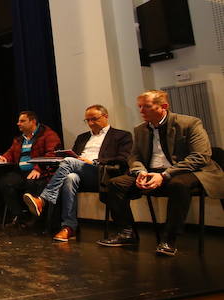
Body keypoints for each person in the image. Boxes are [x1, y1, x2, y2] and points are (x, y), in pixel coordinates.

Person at [98, 90, 224, 256]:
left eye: (147, 107)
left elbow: (200, 157)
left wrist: (165, 175)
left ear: (163, 106)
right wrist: (139, 171)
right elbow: (134, 156)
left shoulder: (190, 123)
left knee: (178, 184)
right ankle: (126, 233)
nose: (141, 111)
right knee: (115, 184)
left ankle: (169, 240)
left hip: (186, 170)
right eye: (140, 107)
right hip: (152, 171)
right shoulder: (140, 129)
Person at [23, 105, 132, 242]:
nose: (91, 123)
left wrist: (94, 161)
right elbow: (73, 158)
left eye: (94, 119)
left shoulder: (121, 135)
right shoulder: (82, 137)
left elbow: (123, 159)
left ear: (105, 116)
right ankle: (69, 227)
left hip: (102, 173)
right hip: (82, 175)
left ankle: (43, 199)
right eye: (87, 120)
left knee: (69, 161)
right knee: (70, 177)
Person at [0, 111, 61, 226]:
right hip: (22, 172)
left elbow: (52, 154)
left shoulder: (48, 135)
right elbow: (10, 152)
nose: (18, 124)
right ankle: (19, 216)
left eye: (22, 121)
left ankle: (35, 218)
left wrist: (38, 169)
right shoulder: (20, 139)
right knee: (5, 182)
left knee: (32, 182)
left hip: (42, 172)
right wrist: (4, 158)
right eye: (18, 121)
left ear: (33, 121)